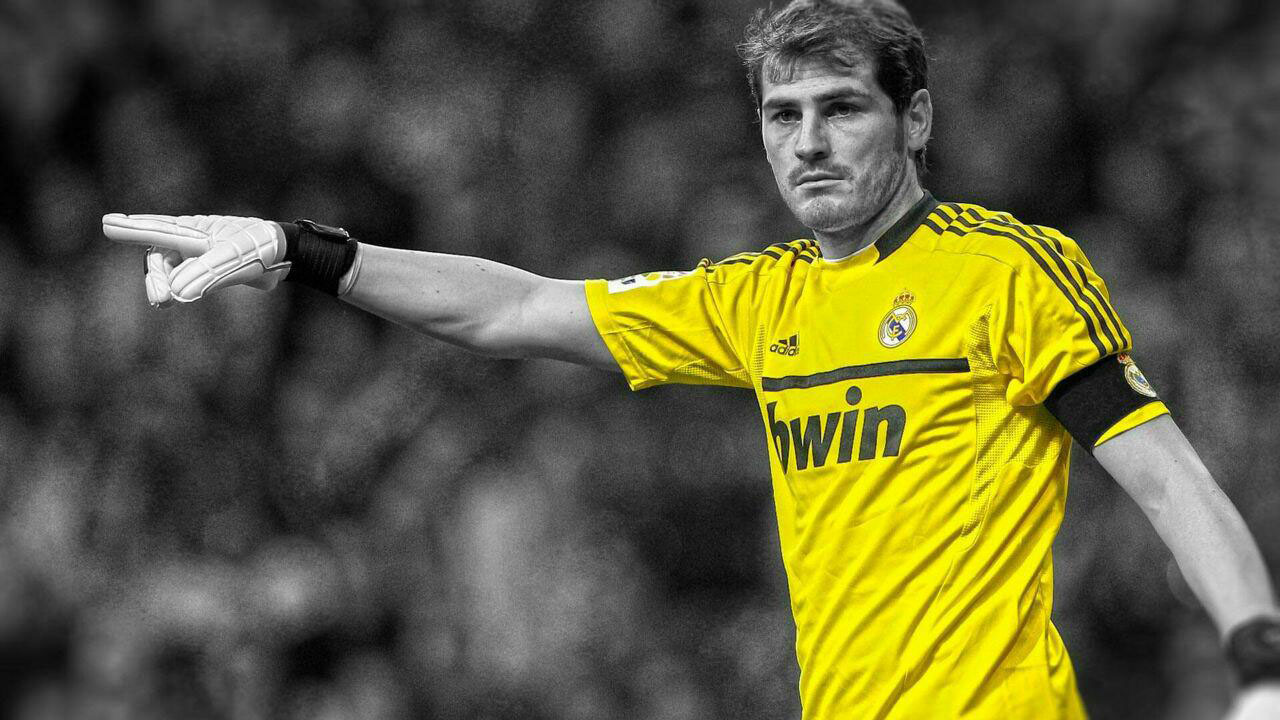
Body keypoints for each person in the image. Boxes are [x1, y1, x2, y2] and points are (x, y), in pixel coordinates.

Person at [101, 0, 1280, 717]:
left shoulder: (1005, 272)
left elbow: (1165, 480)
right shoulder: (758, 298)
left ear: (914, 120)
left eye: (840, 108)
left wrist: (1257, 660)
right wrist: (302, 250)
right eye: (780, 114)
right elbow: (518, 309)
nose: (807, 143)